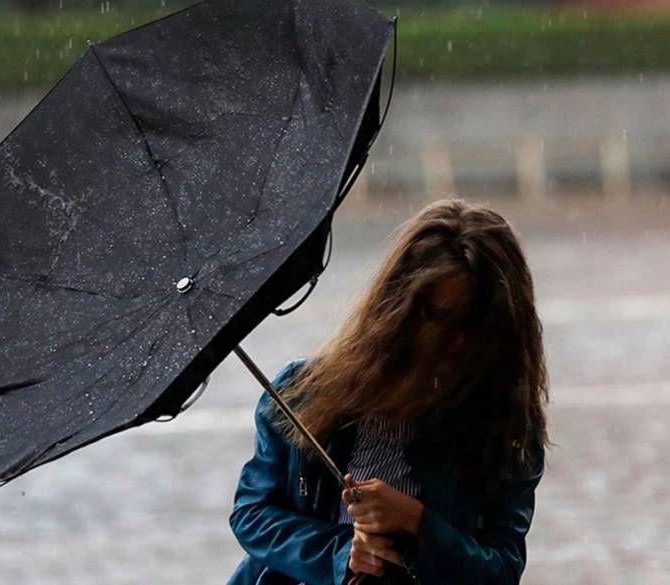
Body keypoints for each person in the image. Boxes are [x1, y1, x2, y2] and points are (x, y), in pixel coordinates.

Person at [227, 198, 549, 584]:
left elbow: (500, 569)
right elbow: (254, 512)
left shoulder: (506, 428)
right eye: (437, 316)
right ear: (399, 307)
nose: (456, 340)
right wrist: (342, 553)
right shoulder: (302, 394)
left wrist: (416, 521)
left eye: (473, 323)